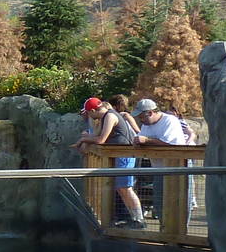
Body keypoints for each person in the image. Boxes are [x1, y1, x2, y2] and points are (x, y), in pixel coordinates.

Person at [74, 96, 144, 228]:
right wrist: (85, 139)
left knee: (125, 188)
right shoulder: (105, 117)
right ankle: (134, 219)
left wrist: (84, 140)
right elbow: (95, 136)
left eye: (89, 113)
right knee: (121, 188)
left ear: (94, 110)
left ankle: (139, 220)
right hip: (120, 155)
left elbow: (101, 139)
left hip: (125, 155)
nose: (88, 115)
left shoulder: (110, 116)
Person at [132, 97, 196, 212]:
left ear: (150, 113)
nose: (140, 120)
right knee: (159, 203)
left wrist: (146, 140)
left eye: (141, 116)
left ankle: (181, 230)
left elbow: (170, 144)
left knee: (181, 202)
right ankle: (163, 227)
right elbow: (143, 140)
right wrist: (138, 142)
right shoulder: (146, 124)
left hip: (178, 167)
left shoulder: (169, 121)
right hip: (159, 169)